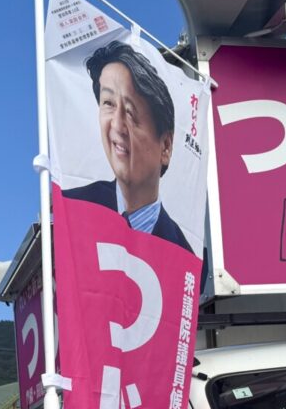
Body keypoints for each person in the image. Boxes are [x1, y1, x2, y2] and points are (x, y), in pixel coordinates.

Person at [63, 40, 194, 255]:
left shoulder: (184, 253)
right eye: (108, 103)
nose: (116, 125)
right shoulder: (71, 210)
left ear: (166, 146)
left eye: (131, 112)